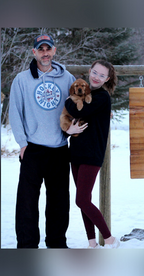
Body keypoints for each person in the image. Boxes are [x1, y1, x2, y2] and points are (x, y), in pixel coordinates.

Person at [9, 34, 76, 248]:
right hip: (33, 149)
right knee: (27, 202)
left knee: (59, 202)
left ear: (54, 51)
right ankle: (27, 245)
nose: (45, 53)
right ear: (34, 52)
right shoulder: (22, 80)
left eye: (48, 49)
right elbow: (15, 113)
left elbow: (79, 106)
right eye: (41, 49)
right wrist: (22, 143)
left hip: (59, 149)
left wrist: (77, 127)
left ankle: (57, 243)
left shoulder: (68, 79)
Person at [65, 60, 119, 249]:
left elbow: (76, 109)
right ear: (90, 71)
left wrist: (68, 98)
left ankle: (110, 239)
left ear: (107, 78)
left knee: (81, 199)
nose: (96, 77)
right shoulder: (86, 92)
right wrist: (69, 131)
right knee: (83, 201)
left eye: (101, 75)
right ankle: (91, 243)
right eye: (94, 72)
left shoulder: (102, 96)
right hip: (76, 152)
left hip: (92, 155)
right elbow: (72, 118)